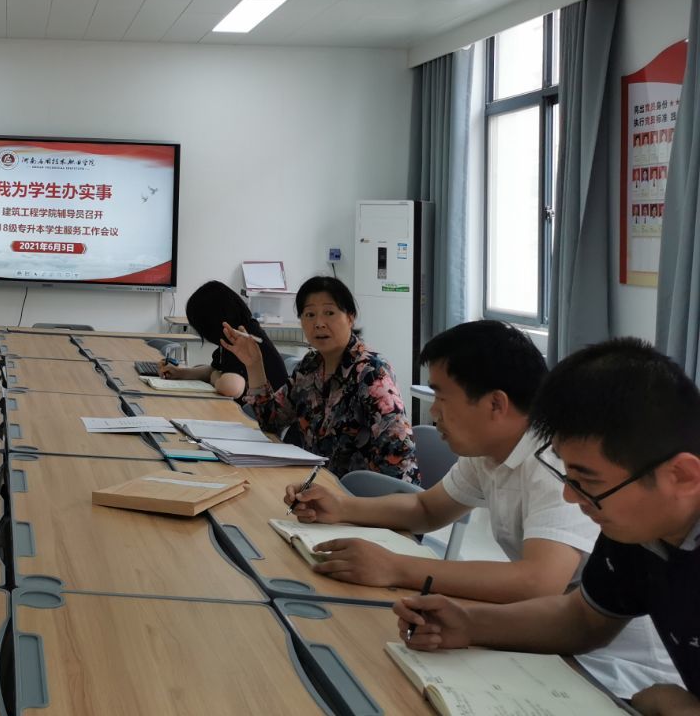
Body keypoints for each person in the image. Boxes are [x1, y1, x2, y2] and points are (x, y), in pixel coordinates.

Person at [288, 321, 676, 697]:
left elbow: (538, 581)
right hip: (558, 639)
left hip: (614, 670)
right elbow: (426, 508)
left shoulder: (558, 464)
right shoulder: (490, 452)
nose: (434, 412)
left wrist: (396, 567)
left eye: (442, 397)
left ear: (495, 403)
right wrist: (342, 507)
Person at [395, 339, 700, 716]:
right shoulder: (636, 531)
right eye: (568, 477)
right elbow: (582, 619)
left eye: (589, 482)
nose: (571, 497)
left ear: (682, 476)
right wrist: (469, 623)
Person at [223, 275, 418, 483]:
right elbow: (271, 421)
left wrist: (350, 499)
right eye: (309, 314)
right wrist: (254, 365)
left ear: (350, 317)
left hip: (357, 495)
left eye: (329, 313)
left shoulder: (372, 374)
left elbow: (400, 462)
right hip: (315, 486)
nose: (318, 323)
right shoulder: (310, 366)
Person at [159, 280, 289, 398]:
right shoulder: (235, 331)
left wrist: (215, 377)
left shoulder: (243, 337)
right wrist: (180, 373)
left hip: (263, 411)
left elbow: (232, 387)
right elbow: (214, 369)